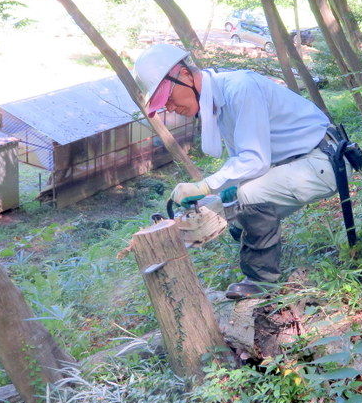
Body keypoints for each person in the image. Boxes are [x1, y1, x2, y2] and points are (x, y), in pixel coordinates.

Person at [133, 43, 349, 300]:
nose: (169, 107)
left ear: (185, 75)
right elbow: (244, 161)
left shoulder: (240, 88)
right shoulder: (220, 101)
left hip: (322, 161)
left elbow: (254, 160)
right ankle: (250, 241)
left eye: (168, 97)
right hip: (300, 162)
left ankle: (261, 280)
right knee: (231, 207)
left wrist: (204, 186)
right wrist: (219, 198)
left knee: (248, 197)